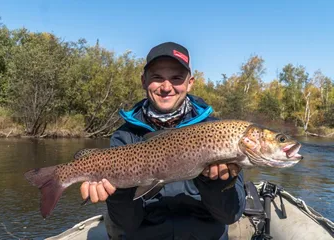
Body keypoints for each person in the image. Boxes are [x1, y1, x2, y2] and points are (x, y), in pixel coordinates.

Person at [80, 42, 246, 240]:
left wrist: (215, 183)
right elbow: (127, 223)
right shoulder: (124, 136)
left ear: (190, 82)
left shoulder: (218, 132)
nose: (167, 87)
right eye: (157, 78)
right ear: (144, 81)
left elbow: (230, 215)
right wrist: (117, 192)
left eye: (176, 78)